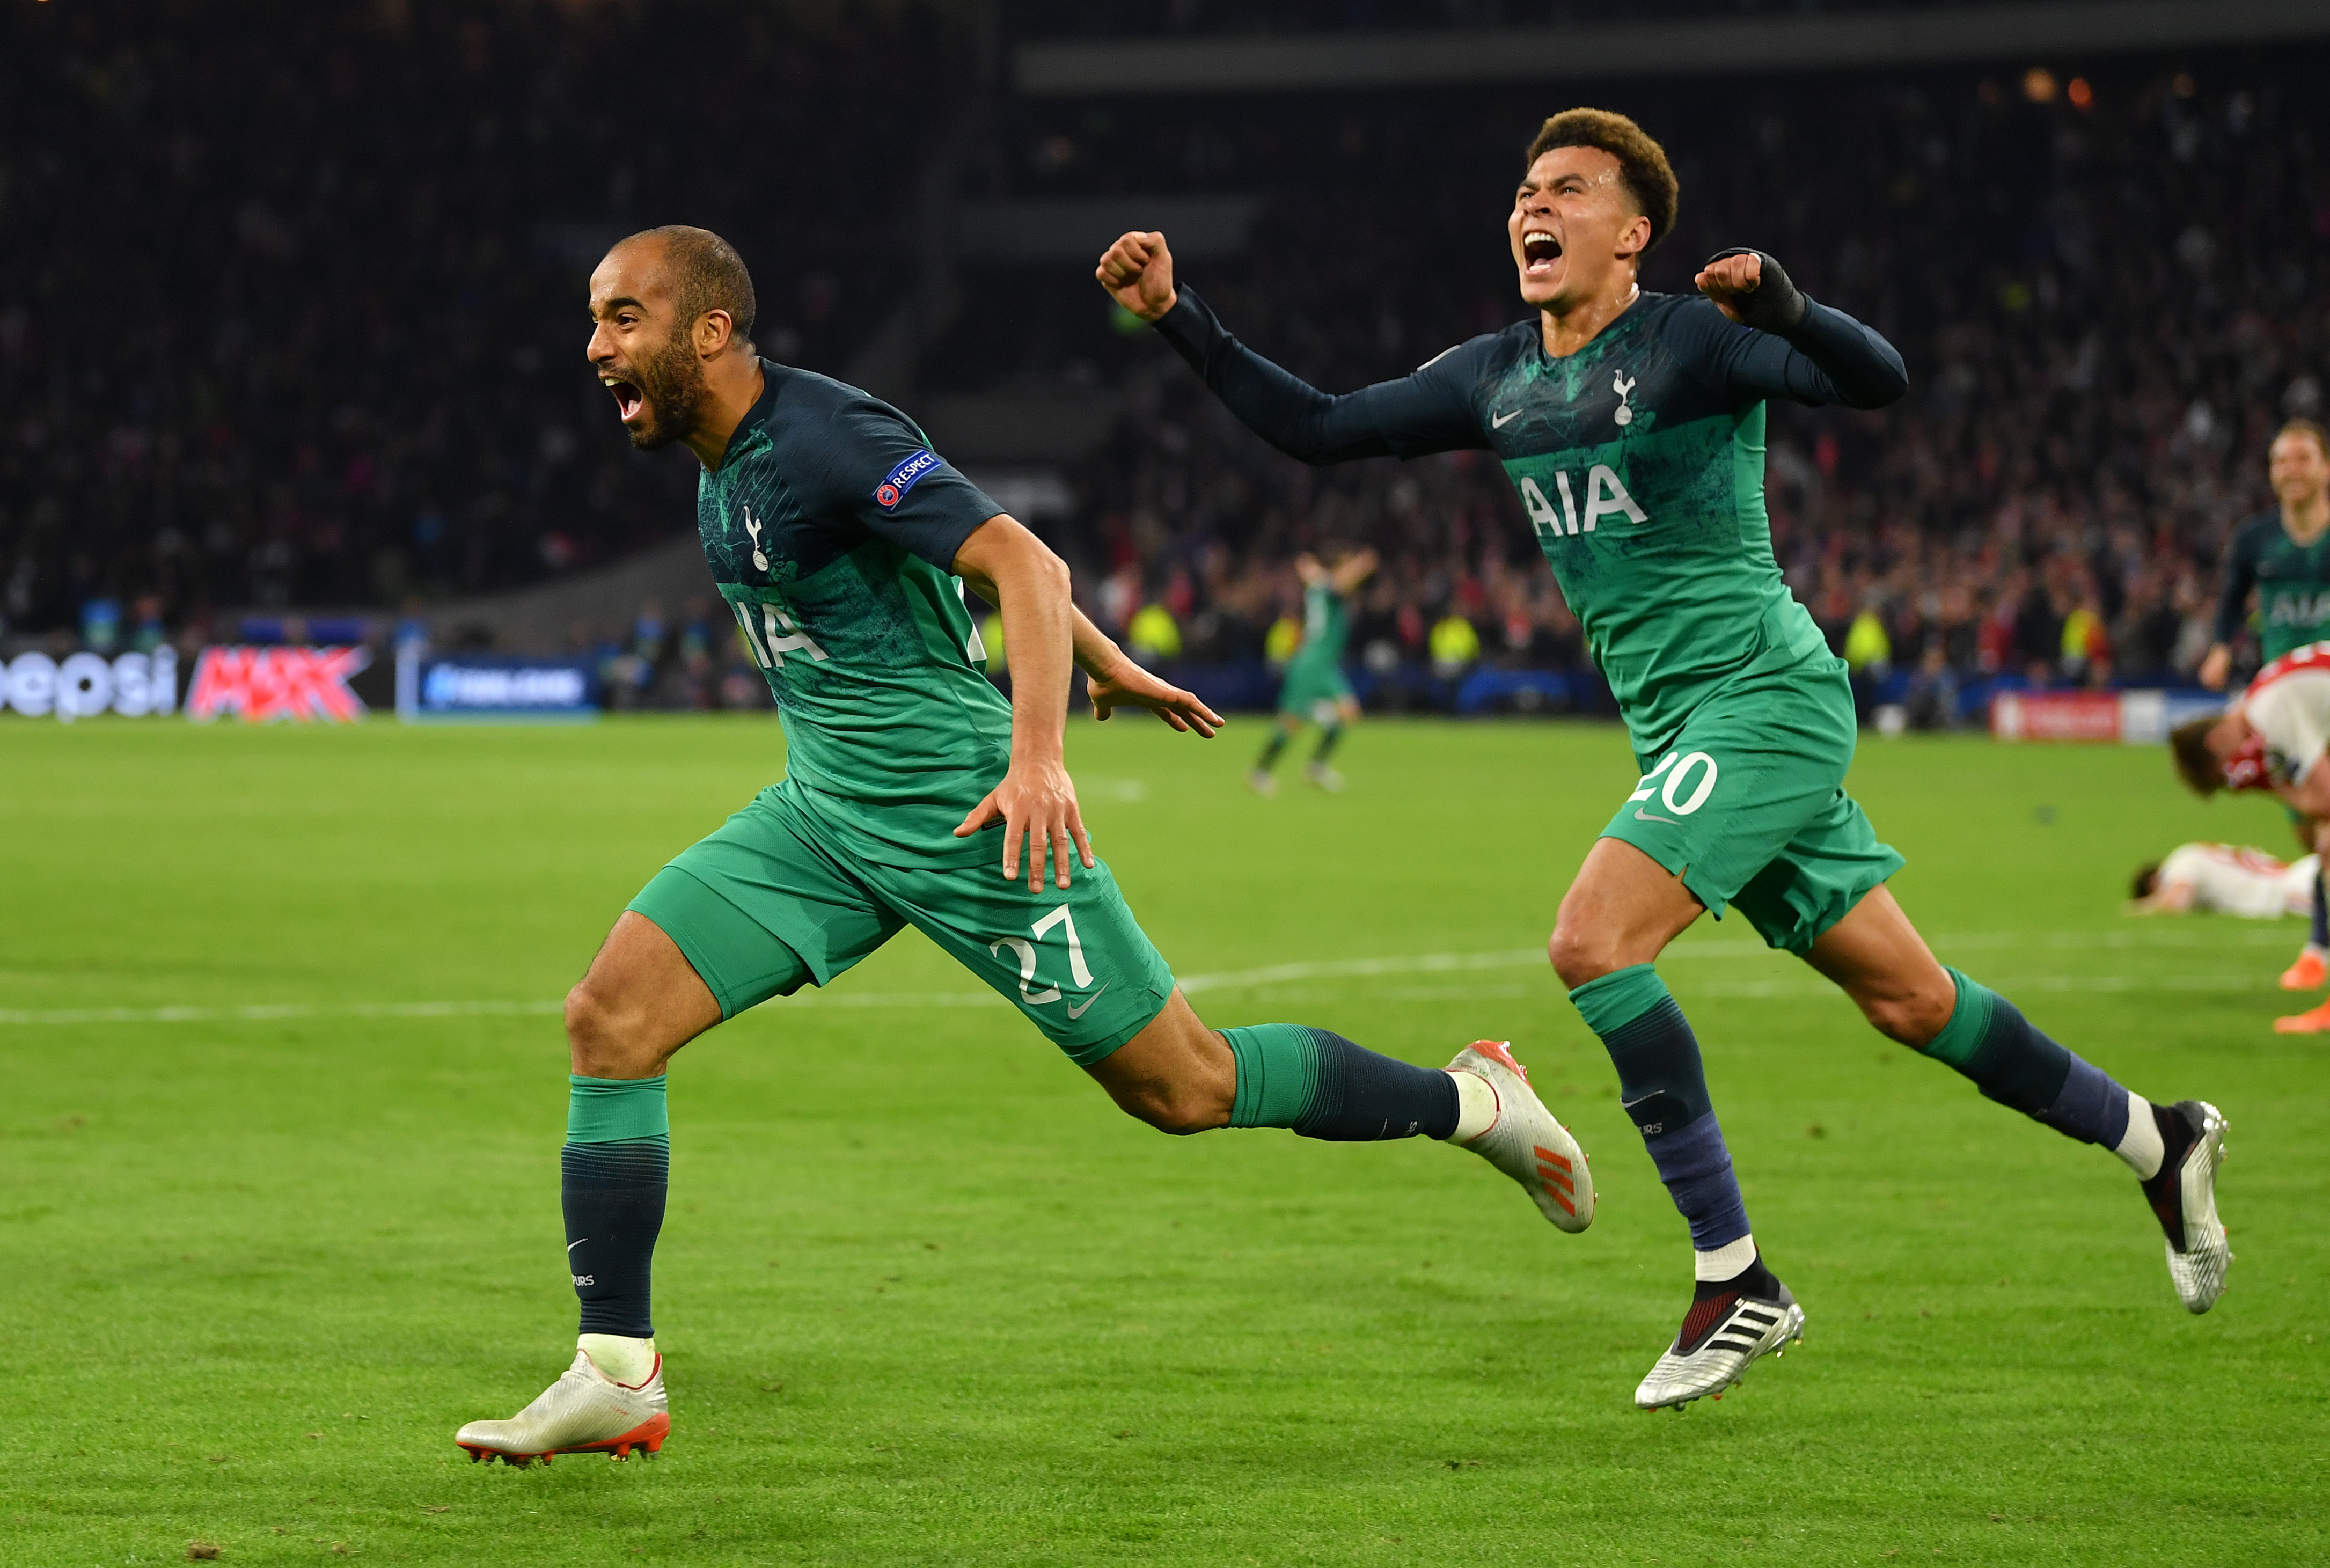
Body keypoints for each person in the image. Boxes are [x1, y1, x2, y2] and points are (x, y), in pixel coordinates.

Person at [1097, 108, 2230, 1411]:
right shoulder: (1494, 376)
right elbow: (1318, 424)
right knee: (1913, 1002)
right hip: (1685, 732)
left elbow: (1879, 382)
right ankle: (2159, 1138)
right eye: (1526, 188)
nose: (1535, 206)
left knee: (1591, 940)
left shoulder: (1687, 342)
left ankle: (1733, 1275)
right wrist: (1181, 314)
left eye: (1568, 189)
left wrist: (1791, 308)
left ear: (1632, 236)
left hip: (1764, 701)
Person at [451, 226, 1597, 1466]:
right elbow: (964, 585)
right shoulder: (719, 464)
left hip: (966, 818)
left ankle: (1475, 1100)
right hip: (823, 818)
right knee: (609, 1019)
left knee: (1185, 1088)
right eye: (596, 317)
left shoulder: (825, 436)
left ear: (711, 331)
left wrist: (1039, 755)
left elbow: (1020, 559)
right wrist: (1109, 659)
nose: (596, 345)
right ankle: (617, 1369)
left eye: (624, 317)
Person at [2199, 420, 2330, 992]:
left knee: (2326, 826)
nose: (2290, 470)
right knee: (2308, 829)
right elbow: (2230, 601)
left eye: (2302, 459)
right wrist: (2220, 649)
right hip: (2286, 713)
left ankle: (2318, 949)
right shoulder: (2255, 540)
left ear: (2324, 468)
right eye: (2280, 461)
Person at [2172, 639, 2330, 1032]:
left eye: (2222, 777)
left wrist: (2272, 787)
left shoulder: (2269, 712)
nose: (2232, 778)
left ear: (2214, 744)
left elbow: (2325, 799)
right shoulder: (2265, 698)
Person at [1251, 546, 1377, 794]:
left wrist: (1314, 569)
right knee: (1293, 722)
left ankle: (1315, 767)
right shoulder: (1329, 589)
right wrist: (1361, 565)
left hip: (1323, 664)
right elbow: (1338, 581)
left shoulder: (1321, 587)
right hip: (1313, 664)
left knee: (1347, 712)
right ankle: (1261, 772)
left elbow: (1320, 576)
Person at [2128, 842, 2319, 918]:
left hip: (2287, 892)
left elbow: (2176, 902)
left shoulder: (2178, 864)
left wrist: (2139, 908)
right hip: (2301, 870)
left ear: (2154, 883)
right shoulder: (2194, 853)